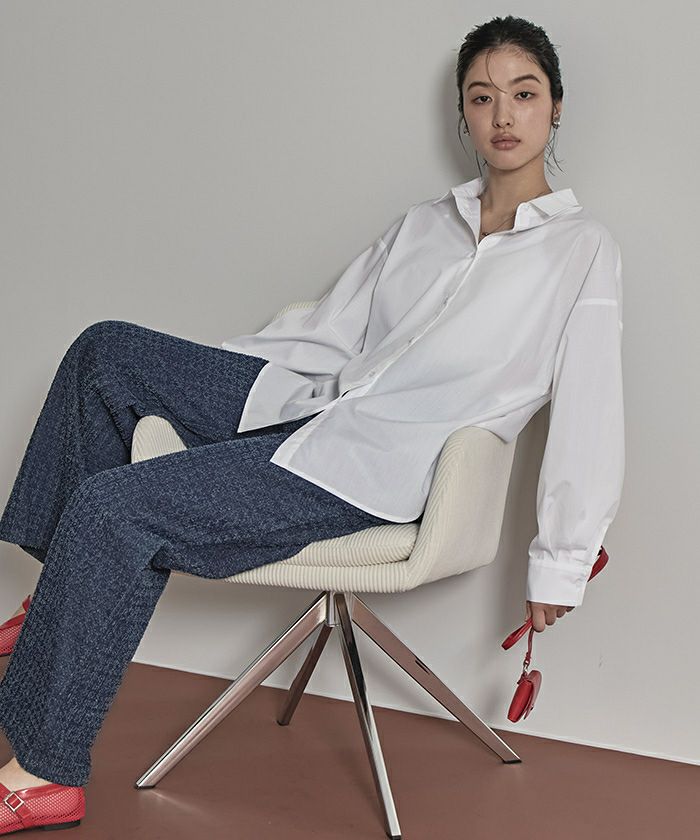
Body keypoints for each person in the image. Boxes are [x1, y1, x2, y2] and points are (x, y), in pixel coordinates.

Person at [0, 14, 624, 835]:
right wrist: (214, 382)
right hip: (316, 401)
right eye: (482, 97)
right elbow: (330, 331)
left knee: (113, 506)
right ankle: (57, 604)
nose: (503, 115)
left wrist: (561, 564)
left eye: (524, 93)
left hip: (374, 467)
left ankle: (44, 772)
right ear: (463, 114)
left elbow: (591, 407)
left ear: (556, 107)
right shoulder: (424, 225)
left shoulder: (581, 250)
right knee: (105, 352)